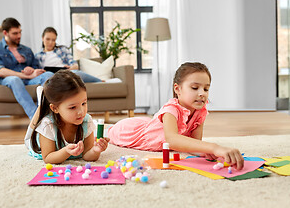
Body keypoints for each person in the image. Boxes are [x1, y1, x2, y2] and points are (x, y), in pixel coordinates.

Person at [108, 62, 244, 170]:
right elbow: (171, 140)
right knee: (108, 132)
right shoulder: (171, 109)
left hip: (150, 126)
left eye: (206, 89)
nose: (202, 93)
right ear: (177, 89)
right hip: (131, 131)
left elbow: (195, 144)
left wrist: (206, 152)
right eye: (195, 88)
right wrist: (214, 147)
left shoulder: (200, 111)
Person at [24, 70, 109, 164]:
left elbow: (87, 155)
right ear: (55, 108)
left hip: (56, 111)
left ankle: (47, 99)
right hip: (35, 140)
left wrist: (96, 150)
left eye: (83, 103)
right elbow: (48, 158)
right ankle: (42, 103)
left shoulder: (86, 121)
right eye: (73, 107)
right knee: (31, 132)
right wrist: (66, 152)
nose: (81, 112)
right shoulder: (47, 125)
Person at [0, 17, 53, 119]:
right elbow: (0, 71)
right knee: (15, 80)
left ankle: (42, 112)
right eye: (15, 33)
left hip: (29, 79)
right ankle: (36, 118)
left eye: (20, 32)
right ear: (5, 33)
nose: (19, 36)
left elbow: (35, 66)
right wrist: (25, 75)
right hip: (9, 79)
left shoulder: (26, 49)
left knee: (49, 75)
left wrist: (32, 70)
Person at [35, 27, 102, 83]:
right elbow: (37, 73)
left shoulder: (63, 50)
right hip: (50, 77)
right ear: (42, 38)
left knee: (77, 73)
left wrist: (71, 67)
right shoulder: (37, 56)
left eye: (53, 40)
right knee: (48, 76)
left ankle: (100, 82)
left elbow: (74, 65)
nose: (50, 42)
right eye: (48, 39)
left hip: (65, 74)